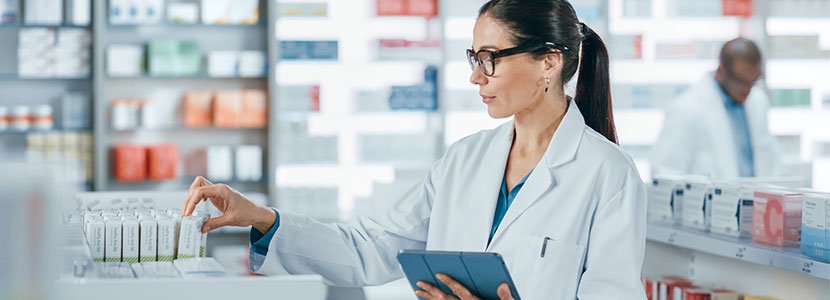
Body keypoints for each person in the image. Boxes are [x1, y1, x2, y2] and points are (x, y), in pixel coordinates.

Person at [182, 0, 647, 299]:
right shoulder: (465, 160)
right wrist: (260, 217)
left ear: (549, 62)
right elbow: (369, 248)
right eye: (474, 58)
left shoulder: (608, 175)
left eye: (490, 59)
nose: (475, 77)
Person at [651, 38, 780, 179]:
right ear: (721, 72)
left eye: (753, 82)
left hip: (755, 192)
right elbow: (664, 173)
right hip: (711, 194)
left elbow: (769, 160)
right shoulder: (687, 109)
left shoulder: (758, 101)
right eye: (740, 82)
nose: (747, 90)